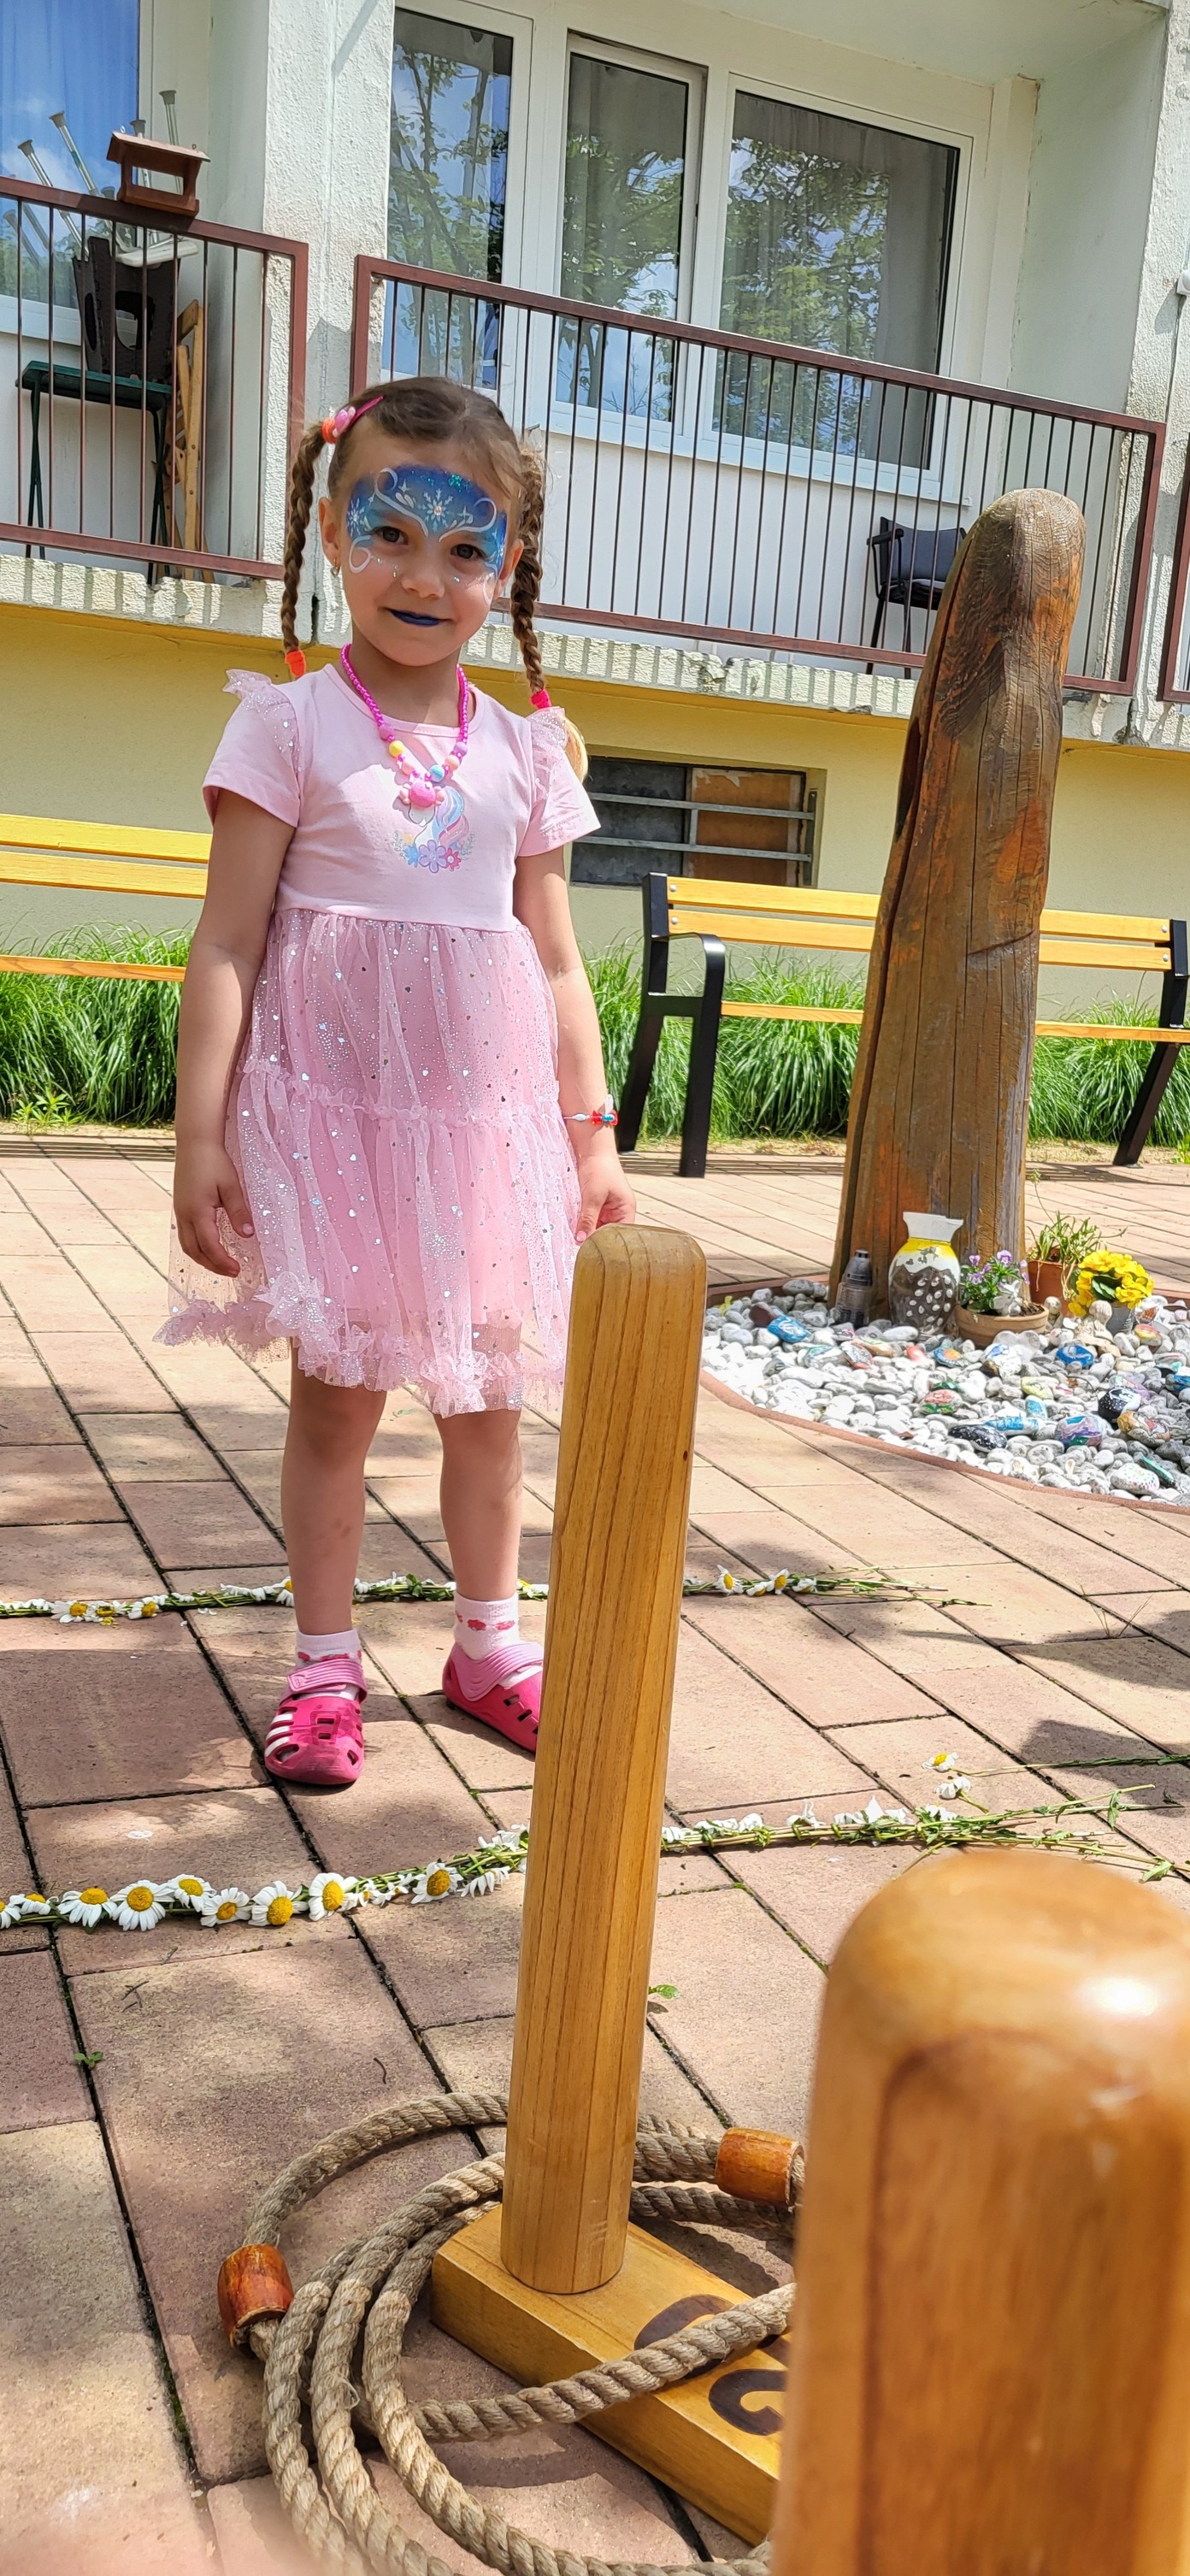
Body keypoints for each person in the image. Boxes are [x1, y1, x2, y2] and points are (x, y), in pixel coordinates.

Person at [165, 375, 634, 1789]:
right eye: (391, 531)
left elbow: (556, 959)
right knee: (337, 1408)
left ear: (509, 563)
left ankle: (489, 1646)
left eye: (465, 544)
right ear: (331, 531)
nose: (425, 575)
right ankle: (323, 1669)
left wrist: (591, 1136)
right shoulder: (289, 729)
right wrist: (200, 1135)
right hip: (335, 1140)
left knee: (489, 1409)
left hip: (483, 1142)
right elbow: (227, 941)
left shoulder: (526, 752)